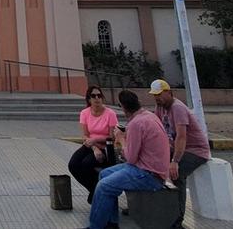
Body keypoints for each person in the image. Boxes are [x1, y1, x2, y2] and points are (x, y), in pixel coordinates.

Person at [82, 90, 169, 229]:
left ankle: (95, 227)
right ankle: (112, 223)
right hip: (149, 167)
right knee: (104, 174)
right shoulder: (148, 116)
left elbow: (131, 158)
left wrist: (122, 139)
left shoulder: (136, 123)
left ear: (123, 107)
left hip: (150, 174)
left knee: (104, 186)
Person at [149, 78, 211, 228]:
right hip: (174, 146)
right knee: (150, 167)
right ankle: (147, 207)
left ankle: (177, 220)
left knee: (176, 175)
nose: (157, 98)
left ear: (169, 93)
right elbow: (156, 128)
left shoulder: (178, 108)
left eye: (160, 94)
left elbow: (182, 137)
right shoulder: (160, 107)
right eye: (155, 95)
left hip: (195, 150)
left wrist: (175, 161)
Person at [68, 85, 119, 203]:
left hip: (106, 147)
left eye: (99, 95)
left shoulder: (110, 113)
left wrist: (96, 141)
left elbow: (112, 136)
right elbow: (85, 135)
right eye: (93, 96)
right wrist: (94, 147)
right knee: (73, 164)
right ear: (89, 99)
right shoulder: (85, 113)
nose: (97, 98)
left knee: (86, 164)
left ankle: (97, 192)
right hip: (90, 146)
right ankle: (94, 189)